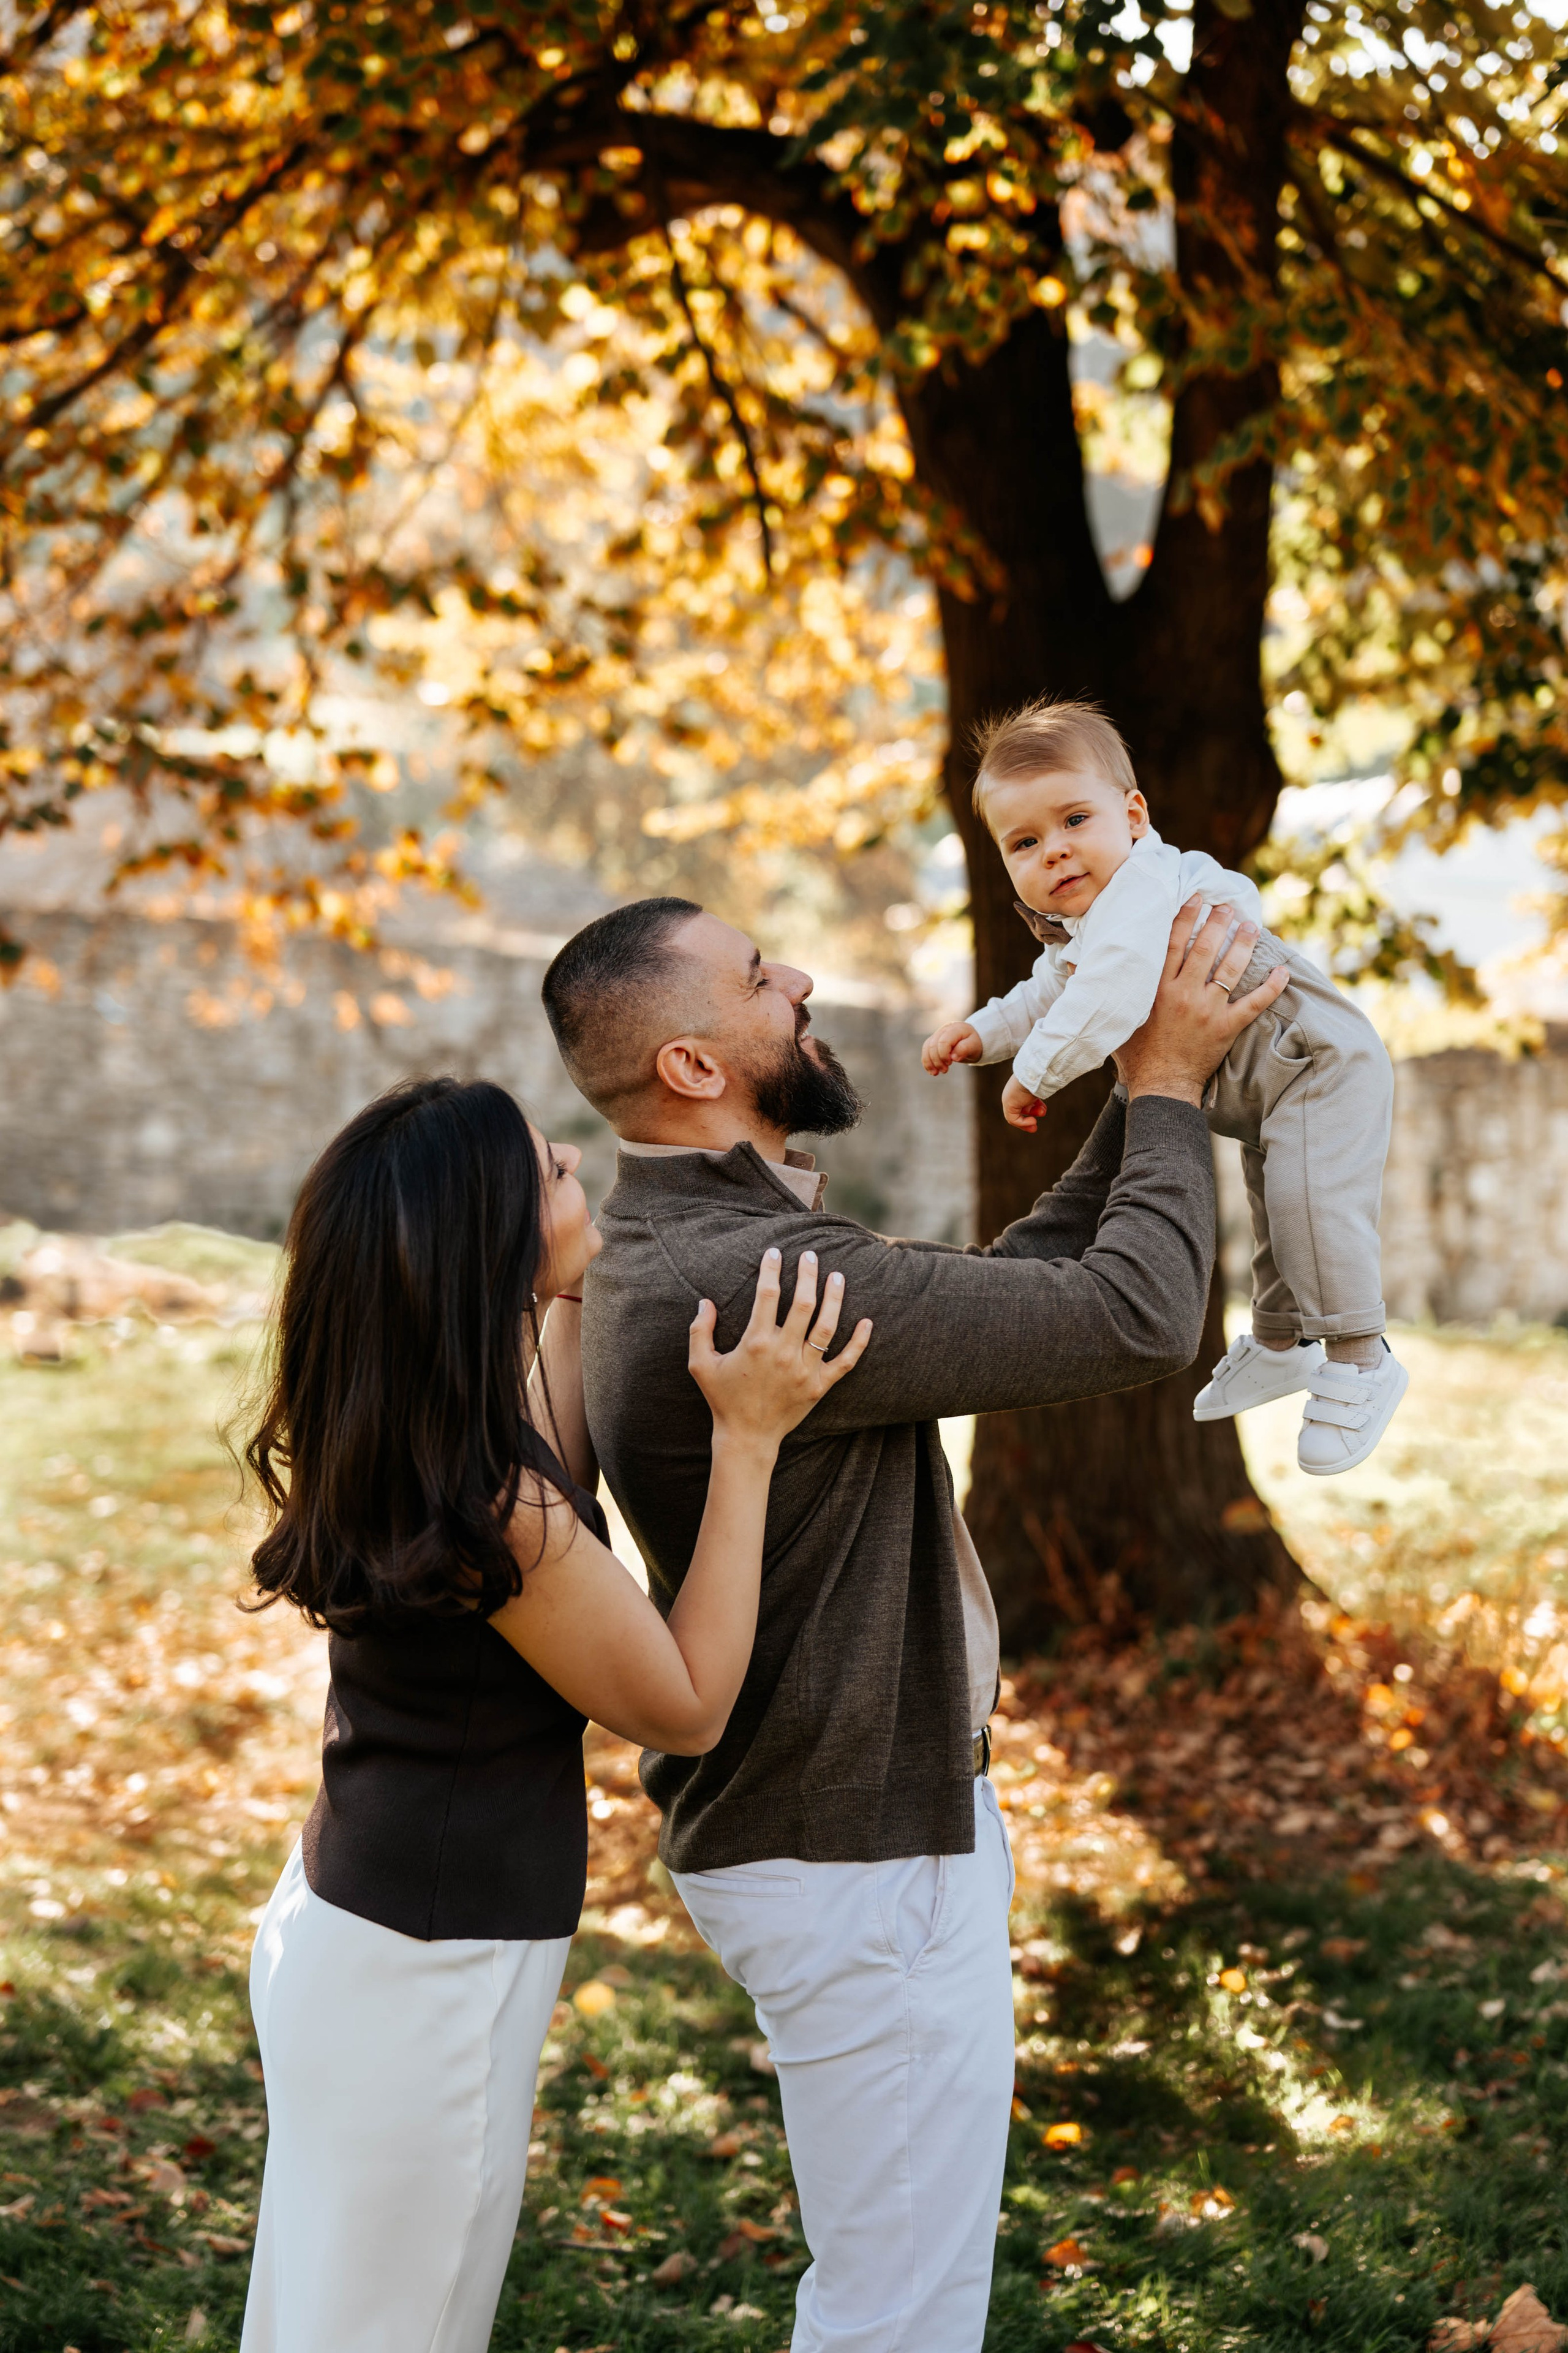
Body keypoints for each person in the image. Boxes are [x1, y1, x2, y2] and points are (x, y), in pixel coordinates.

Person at [540, 890, 1287, 2353]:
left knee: (901, 2294)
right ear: (693, 1065)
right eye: (760, 976)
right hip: (850, 1852)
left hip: (842, 1839)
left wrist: (1140, 1085)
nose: (802, 979)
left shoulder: (717, 1231)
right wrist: (1161, 1089)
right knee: (897, 2315)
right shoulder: (750, 1271)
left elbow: (1008, 1292)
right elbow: (1133, 1315)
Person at [236, 1075, 869, 2353]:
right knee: (394, 2327)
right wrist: (746, 1442)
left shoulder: (417, 1425)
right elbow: (684, 1707)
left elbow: (559, 1460)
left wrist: (583, 1268)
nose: (579, 1160)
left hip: (361, 1928)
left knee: (328, 2311)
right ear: (490, 1254)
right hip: (430, 1975)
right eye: (554, 1176)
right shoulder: (493, 1511)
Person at [922, 697, 1406, 1476]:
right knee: (1278, 1208)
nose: (1055, 851)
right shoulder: (1093, 920)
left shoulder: (1145, 892)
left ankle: (1360, 1357)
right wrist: (981, 1034)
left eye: (1075, 819)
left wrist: (1030, 1073)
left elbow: (1104, 994)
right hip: (1265, 1086)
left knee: (1313, 1208)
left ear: (1134, 814)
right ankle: (1281, 1345)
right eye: (1025, 841)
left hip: (1317, 1060)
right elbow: (1049, 990)